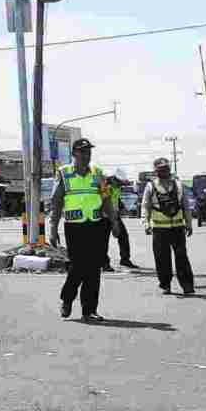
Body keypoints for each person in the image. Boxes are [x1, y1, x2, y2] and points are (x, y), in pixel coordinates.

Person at [48, 138, 121, 322]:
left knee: (94, 268)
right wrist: (53, 228)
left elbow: (106, 199)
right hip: (74, 226)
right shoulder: (64, 173)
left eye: (88, 151)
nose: (86, 155)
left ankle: (89, 310)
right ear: (74, 153)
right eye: (82, 152)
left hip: (96, 225)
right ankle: (67, 298)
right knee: (78, 266)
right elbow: (56, 202)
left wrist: (114, 222)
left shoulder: (98, 173)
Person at [142, 157, 195, 295]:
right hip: (159, 229)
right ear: (156, 171)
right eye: (161, 169)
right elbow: (146, 206)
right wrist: (146, 223)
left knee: (181, 257)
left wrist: (189, 224)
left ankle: (187, 286)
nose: (164, 171)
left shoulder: (178, 185)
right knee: (162, 259)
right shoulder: (150, 186)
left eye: (166, 168)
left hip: (177, 228)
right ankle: (165, 285)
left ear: (169, 169)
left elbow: (186, 206)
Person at [102, 175, 138, 271]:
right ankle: (104, 264)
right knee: (104, 240)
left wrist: (122, 207)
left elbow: (116, 199)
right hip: (105, 216)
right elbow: (104, 201)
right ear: (113, 180)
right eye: (119, 181)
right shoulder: (107, 187)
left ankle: (125, 259)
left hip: (115, 215)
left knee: (123, 236)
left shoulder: (116, 188)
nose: (121, 183)